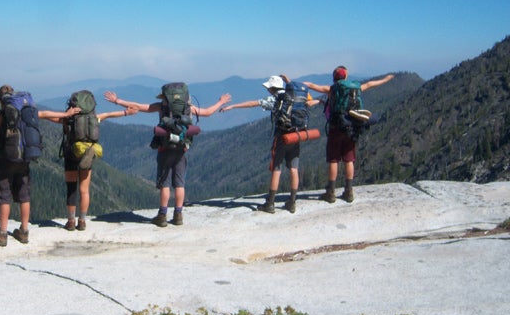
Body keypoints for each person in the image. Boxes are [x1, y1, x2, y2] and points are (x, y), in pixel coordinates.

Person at [0, 85, 80, 247]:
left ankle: (2, 234)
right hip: (24, 159)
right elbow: (45, 114)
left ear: (0, 101)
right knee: (24, 195)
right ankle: (24, 231)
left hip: (6, 160)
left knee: (4, 194)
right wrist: (66, 114)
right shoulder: (26, 114)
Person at [104, 85, 231, 227]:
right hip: (181, 149)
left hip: (164, 149)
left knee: (165, 183)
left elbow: (138, 106)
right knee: (179, 183)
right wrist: (221, 102)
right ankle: (178, 215)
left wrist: (117, 101)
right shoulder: (189, 108)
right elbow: (207, 112)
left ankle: (162, 215)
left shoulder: (161, 107)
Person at [221, 75, 319, 213]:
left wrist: (232, 106)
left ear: (271, 88)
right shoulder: (295, 96)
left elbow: (252, 103)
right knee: (294, 169)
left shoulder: (275, 99)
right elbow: (309, 101)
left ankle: (270, 203)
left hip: (282, 136)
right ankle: (292, 202)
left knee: (276, 169)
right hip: (297, 135)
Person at [43, 91, 138, 232]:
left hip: (71, 154)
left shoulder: (67, 119)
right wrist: (126, 113)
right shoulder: (94, 118)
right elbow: (110, 114)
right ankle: (82, 221)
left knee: (71, 189)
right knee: (84, 190)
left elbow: (47, 116)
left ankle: (70, 221)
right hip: (87, 153)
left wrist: (63, 114)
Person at [304, 66, 394, 203]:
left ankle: (331, 192)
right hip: (352, 127)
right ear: (346, 77)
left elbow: (311, 85)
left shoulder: (331, 89)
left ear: (334, 78)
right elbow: (370, 84)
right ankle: (349, 191)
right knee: (349, 159)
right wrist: (386, 79)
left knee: (334, 160)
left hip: (336, 127)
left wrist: (294, 84)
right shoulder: (355, 89)